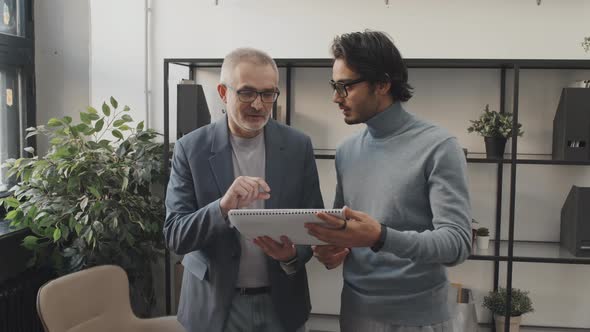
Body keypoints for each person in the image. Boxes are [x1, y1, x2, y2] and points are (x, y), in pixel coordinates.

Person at [305, 30, 472, 332]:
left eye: (345, 87)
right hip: (355, 313)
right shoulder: (347, 151)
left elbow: (457, 244)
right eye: (334, 86)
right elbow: (348, 232)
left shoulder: (438, 146)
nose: (335, 97)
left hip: (419, 317)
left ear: (382, 84)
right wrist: (333, 248)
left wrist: (379, 236)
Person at [164, 47, 323, 332]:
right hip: (213, 307)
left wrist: (290, 255)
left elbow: (313, 223)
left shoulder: (298, 146)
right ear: (224, 93)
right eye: (247, 93)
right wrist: (222, 207)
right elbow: (176, 235)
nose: (259, 105)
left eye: (268, 94)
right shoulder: (190, 149)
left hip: (283, 302)